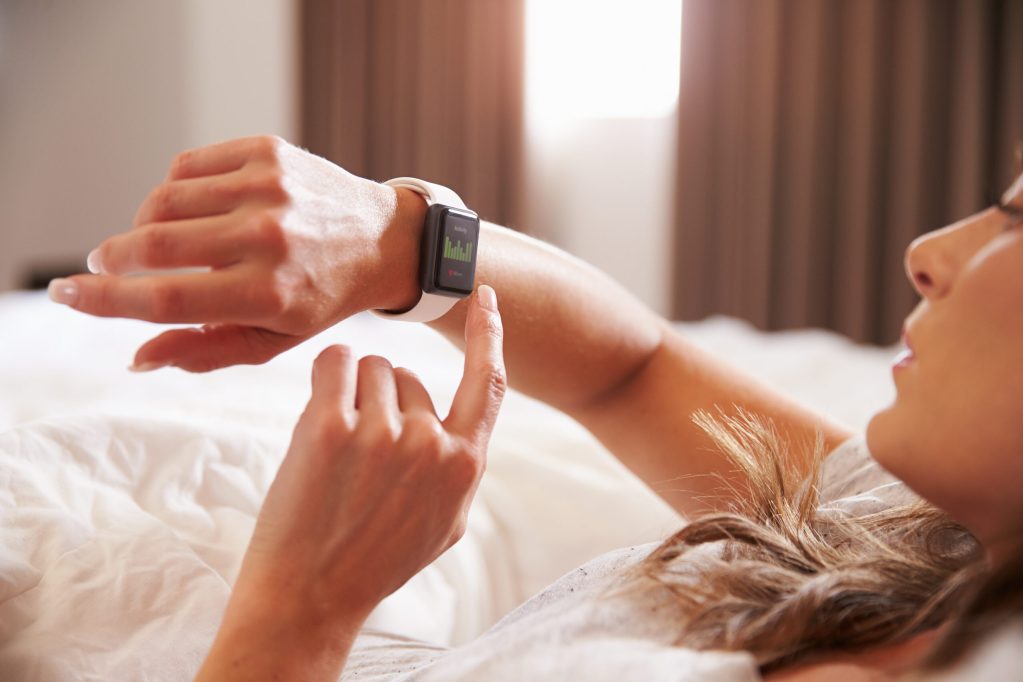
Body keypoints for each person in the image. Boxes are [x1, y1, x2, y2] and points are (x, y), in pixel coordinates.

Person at [46, 136, 1023, 680]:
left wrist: (300, 610)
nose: (930, 249)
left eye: (1017, 218)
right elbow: (630, 366)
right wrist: (403, 241)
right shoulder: (926, 540)